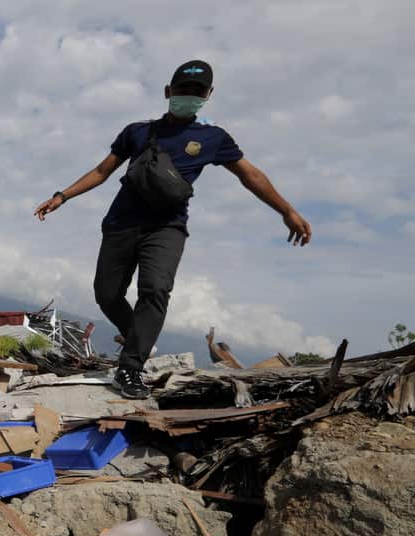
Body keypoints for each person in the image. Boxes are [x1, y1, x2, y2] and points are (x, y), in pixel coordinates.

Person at [33, 60, 311, 399]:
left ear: (208, 95)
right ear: (168, 91)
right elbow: (102, 171)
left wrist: (287, 210)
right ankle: (139, 339)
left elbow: (250, 175)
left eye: (197, 91)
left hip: (167, 228)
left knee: (155, 289)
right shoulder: (136, 131)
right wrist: (62, 195)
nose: (189, 96)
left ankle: (130, 369)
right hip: (121, 223)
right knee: (106, 294)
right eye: (183, 89)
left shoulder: (213, 138)